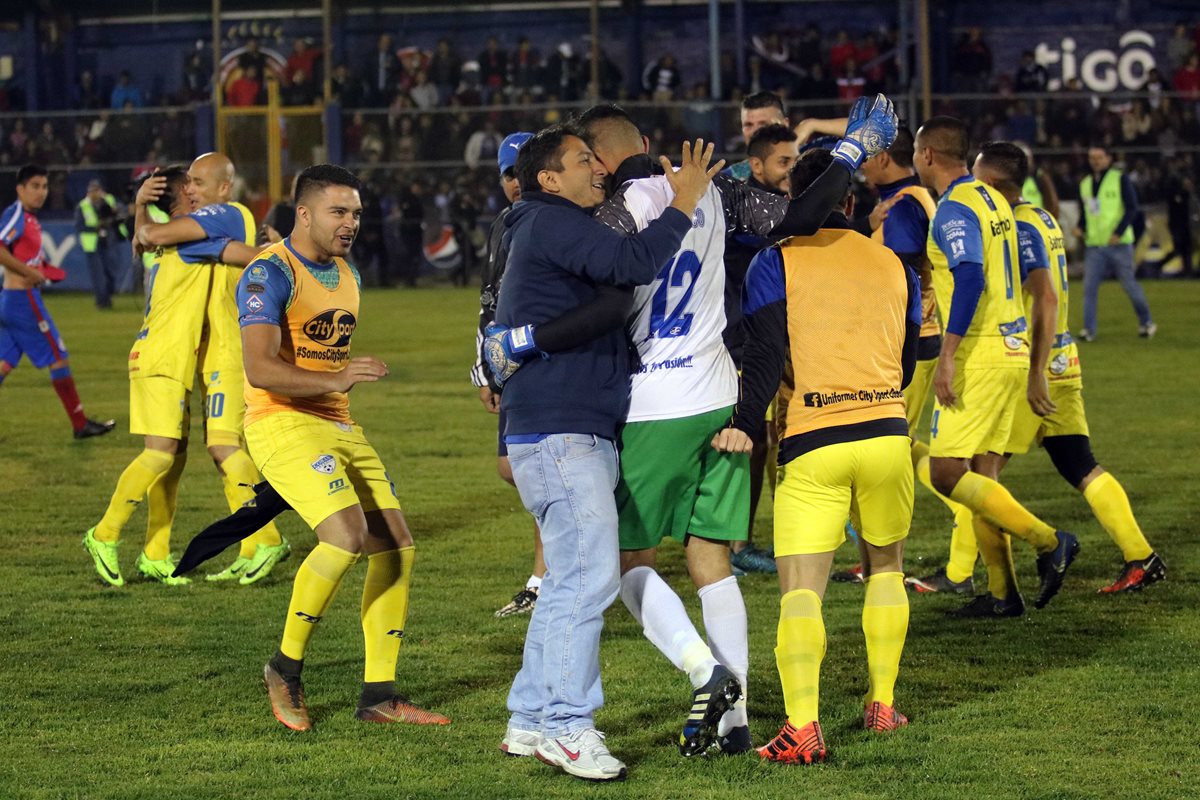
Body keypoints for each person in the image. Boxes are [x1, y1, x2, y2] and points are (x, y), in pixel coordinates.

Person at [488, 96, 897, 763]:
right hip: (719, 395)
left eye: (592, 160)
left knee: (620, 564)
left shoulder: (610, 212)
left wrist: (511, 341)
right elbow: (798, 214)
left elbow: (611, 289)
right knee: (713, 559)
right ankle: (735, 724)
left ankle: (707, 673)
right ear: (645, 141)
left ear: (606, 159)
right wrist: (850, 150)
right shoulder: (722, 191)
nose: (592, 173)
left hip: (651, 402)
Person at [492, 127, 718, 782]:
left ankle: (530, 718)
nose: (599, 169)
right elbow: (631, 265)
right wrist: (686, 200)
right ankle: (568, 725)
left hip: (557, 425)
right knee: (590, 575)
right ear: (548, 179)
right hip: (562, 428)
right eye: (582, 160)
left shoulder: (541, 225)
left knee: (567, 577)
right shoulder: (552, 221)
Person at [712, 146, 921, 765]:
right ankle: (882, 703)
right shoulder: (892, 264)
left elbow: (765, 354)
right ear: (849, 202)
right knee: (886, 566)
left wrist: (747, 423)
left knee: (801, 591)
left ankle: (803, 726)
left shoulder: (776, 261)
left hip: (813, 437)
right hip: (886, 433)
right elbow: (908, 359)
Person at [239, 164, 449, 732]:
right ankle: (284, 668)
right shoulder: (268, 273)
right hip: (279, 421)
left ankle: (378, 695)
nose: (351, 222)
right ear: (303, 213)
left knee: (396, 546)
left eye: (355, 213)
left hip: (336, 423)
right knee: (346, 535)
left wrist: (335, 387)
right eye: (339, 211)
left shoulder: (346, 272)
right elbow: (258, 368)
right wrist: (333, 379)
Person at [971, 141, 1166, 594]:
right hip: (1062, 357)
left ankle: (965, 577)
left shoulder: (1016, 227)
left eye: (977, 180)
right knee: (1080, 464)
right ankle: (1141, 555)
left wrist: (1034, 370)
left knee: (976, 473)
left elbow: (1046, 297)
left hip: (1031, 366)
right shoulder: (1043, 217)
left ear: (995, 184)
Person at [83, 157, 286, 587]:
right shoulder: (188, 241)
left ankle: (175, 550)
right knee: (172, 453)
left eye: (198, 183)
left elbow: (154, 237)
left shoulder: (210, 225)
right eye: (188, 185)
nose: (193, 191)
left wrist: (279, 250)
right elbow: (240, 252)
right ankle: (106, 535)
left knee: (189, 456)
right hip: (170, 357)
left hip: (210, 355)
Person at [914, 117, 1078, 617]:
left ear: (927, 157)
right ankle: (1004, 594)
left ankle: (1050, 541)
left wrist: (947, 354)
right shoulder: (992, 199)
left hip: (979, 356)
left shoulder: (956, 208)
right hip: (1011, 348)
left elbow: (969, 279)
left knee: (945, 473)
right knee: (984, 476)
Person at [471, 131, 546, 617]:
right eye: (507, 173)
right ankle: (551, 568)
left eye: (523, 171)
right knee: (512, 467)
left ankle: (543, 578)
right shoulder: (504, 223)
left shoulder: (552, 221)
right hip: (508, 360)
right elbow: (489, 298)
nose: (516, 182)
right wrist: (483, 367)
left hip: (541, 358)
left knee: (537, 469)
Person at [723, 122, 802, 575]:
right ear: (756, 165)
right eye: (783, 162)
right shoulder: (742, 209)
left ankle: (745, 540)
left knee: (769, 439)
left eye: (794, 161)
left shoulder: (782, 206)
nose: (790, 170)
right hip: (739, 342)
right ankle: (734, 542)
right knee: (745, 438)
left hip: (775, 339)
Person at [0, 164, 114, 440]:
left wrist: (45, 268)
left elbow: (25, 255)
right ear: (20, 189)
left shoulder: (31, 218)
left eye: (44, 187)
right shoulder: (16, 214)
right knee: (58, 357)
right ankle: (79, 424)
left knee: (4, 362)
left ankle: (80, 423)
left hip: (12, 301)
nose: (41, 192)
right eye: (35, 186)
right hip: (22, 300)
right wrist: (30, 273)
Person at [1075, 145, 1155, 341]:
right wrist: (1080, 227)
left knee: (1129, 285)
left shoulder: (1120, 179)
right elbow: (1087, 211)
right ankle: (1089, 330)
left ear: (1108, 159)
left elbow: (1132, 208)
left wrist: (1118, 233)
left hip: (1119, 245)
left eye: (1099, 157)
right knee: (1089, 289)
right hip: (1095, 245)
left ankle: (1146, 322)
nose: (1095, 161)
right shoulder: (1085, 183)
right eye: (1092, 157)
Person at [74, 179, 128, 309]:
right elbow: (79, 226)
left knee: (111, 271)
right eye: (92, 191)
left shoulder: (109, 200)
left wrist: (114, 216)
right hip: (92, 244)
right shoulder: (83, 206)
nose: (94, 194)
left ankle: (107, 295)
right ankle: (102, 301)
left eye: (96, 190)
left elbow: (122, 213)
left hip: (109, 240)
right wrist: (96, 228)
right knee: (98, 274)